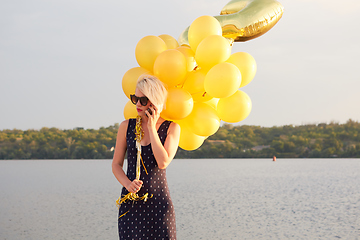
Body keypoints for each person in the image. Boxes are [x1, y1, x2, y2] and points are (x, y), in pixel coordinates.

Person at [112, 75, 180, 240]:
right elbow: (116, 165)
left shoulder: (172, 127)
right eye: (135, 98)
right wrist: (128, 184)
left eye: (143, 100)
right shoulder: (126, 126)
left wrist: (151, 126)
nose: (137, 104)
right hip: (131, 204)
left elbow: (163, 162)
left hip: (159, 204)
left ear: (154, 101)